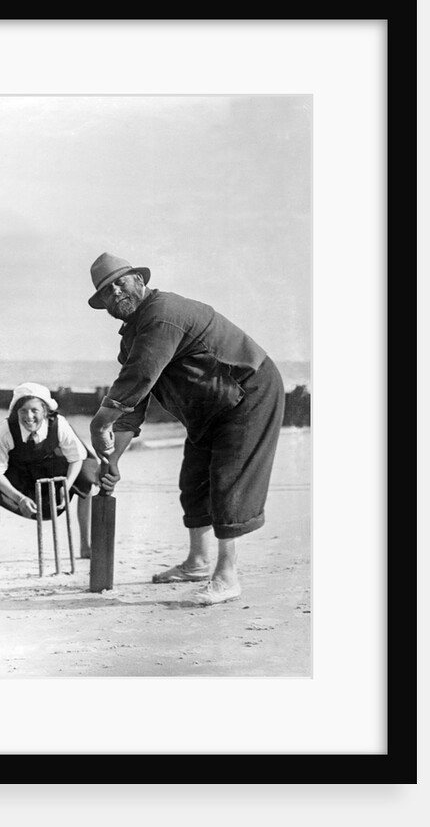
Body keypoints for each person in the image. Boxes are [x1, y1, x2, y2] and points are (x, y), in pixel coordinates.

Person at [87, 252, 285, 606]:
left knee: (228, 480)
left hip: (247, 392)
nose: (115, 291)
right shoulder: (133, 336)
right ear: (103, 304)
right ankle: (197, 562)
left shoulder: (162, 314)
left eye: (121, 282)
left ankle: (227, 576)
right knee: (193, 481)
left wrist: (100, 420)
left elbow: (139, 378)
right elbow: (133, 408)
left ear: (140, 281)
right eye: (106, 290)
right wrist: (112, 461)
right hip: (211, 406)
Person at [0, 382, 99, 560]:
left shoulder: (59, 424)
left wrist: (66, 486)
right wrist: (19, 498)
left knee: (86, 480)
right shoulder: (7, 429)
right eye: (23, 411)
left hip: (53, 469)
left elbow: (77, 457)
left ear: (45, 411)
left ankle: (85, 545)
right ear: (16, 412)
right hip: (22, 473)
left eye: (34, 410)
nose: (29, 417)